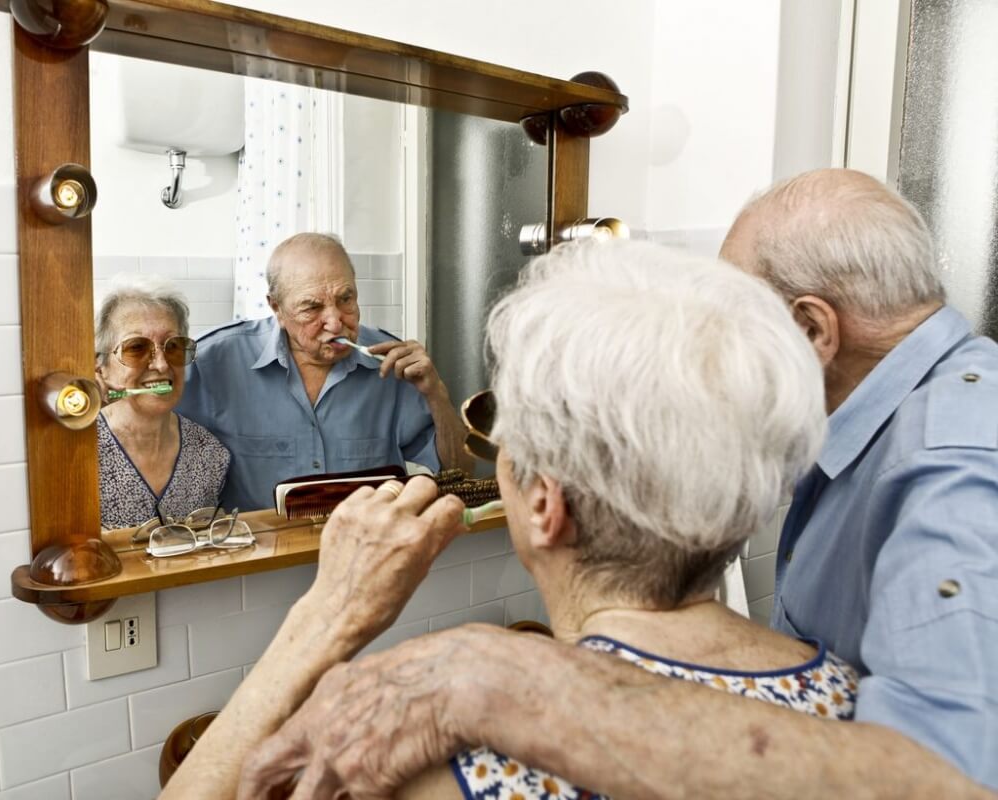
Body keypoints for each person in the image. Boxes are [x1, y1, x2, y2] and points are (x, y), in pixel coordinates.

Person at [236, 169, 998, 798]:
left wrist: (490, 679)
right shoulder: (838, 694)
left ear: (543, 500)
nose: (731, 349)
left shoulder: (961, 462)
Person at [159, 238, 875, 800]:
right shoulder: (863, 718)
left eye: (504, 440)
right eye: (313, 305)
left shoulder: (459, 771)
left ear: (543, 503)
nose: (334, 319)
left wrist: (327, 620)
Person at [176, 232, 469, 511]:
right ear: (276, 308)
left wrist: (437, 395)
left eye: (346, 299)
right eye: (312, 307)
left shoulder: (392, 363)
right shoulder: (213, 361)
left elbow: (460, 472)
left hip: (365, 546)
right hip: (260, 557)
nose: (335, 321)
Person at [94, 274, 230, 528]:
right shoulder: (78, 452)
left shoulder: (210, 454)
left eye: (174, 346)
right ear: (100, 366)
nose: (161, 364)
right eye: (136, 348)